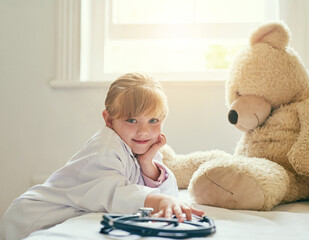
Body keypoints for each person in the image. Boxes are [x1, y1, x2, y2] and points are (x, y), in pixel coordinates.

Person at [0, 73, 204, 240]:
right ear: (109, 119)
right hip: (33, 219)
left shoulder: (138, 148)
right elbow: (116, 194)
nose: (143, 131)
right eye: (131, 120)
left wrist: (147, 163)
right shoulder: (105, 149)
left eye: (153, 120)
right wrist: (158, 201)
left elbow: (168, 195)